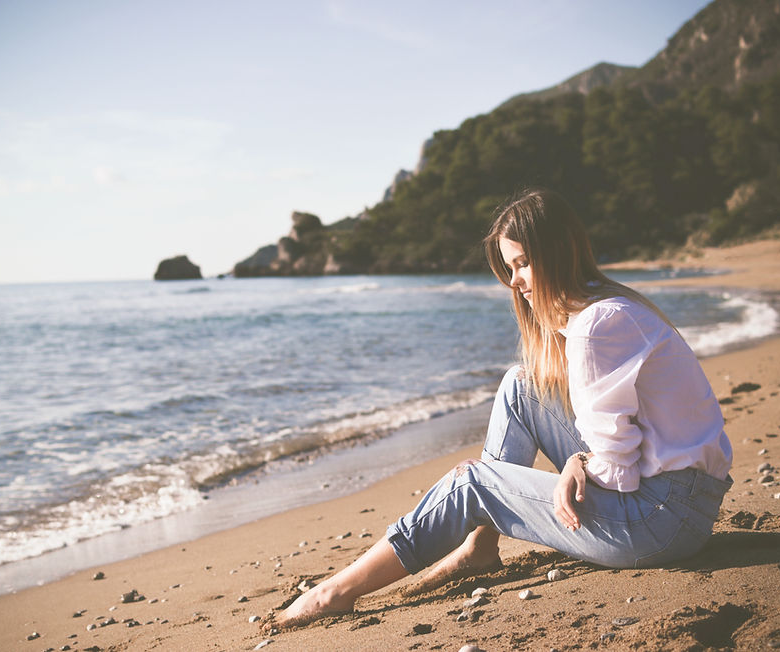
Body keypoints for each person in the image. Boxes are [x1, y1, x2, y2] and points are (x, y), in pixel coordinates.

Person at [271, 188, 733, 629]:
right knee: (521, 385)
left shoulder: (596, 326)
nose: (514, 281)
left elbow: (618, 472)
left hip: (660, 521)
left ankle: (336, 591)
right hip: (679, 504)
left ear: (559, 250)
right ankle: (479, 547)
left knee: (473, 482)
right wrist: (582, 462)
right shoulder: (607, 308)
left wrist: (579, 462)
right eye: (511, 266)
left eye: (524, 263)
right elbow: (626, 449)